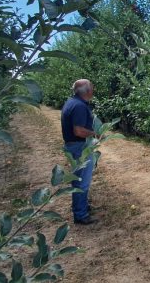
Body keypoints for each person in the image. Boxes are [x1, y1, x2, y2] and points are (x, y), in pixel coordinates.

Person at [61, 79, 99, 225]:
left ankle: (80, 207)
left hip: (73, 146)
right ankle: (81, 214)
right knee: (82, 182)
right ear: (87, 91)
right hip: (79, 147)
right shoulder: (79, 106)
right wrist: (94, 134)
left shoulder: (71, 102)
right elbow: (78, 131)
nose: (93, 90)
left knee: (77, 180)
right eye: (92, 87)